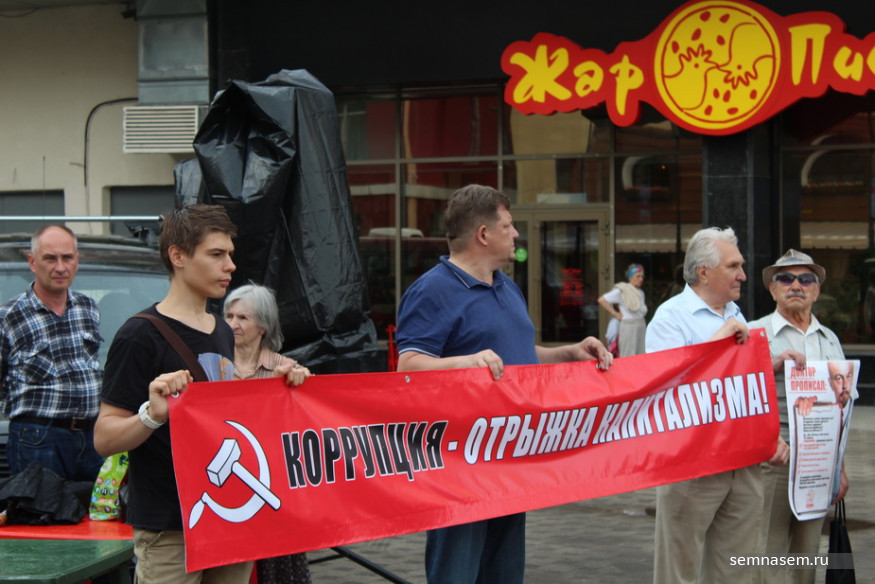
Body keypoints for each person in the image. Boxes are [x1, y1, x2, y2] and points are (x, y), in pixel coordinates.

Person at [395, 184, 614, 584]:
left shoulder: (506, 285)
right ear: (483, 234)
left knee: (504, 573)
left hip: (509, 459)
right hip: (458, 467)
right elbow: (407, 367)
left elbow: (517, 356)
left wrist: (568, 352)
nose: (516, 234)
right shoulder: (432, 290)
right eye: (508, 226)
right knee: (457, 574)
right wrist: (467, 363)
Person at [94, 205, 309, 583]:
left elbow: (224, 418)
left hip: (229, 514)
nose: (230, 266)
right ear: (178, 256)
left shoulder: (222, 330)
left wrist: (278, 389)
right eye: (216, 254)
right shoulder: (139, 335)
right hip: (169, 525)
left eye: (230, 254)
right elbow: (104, 438)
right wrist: (152, 415)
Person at [644, 226, 788, 584]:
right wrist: (717, 342)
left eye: (741, 265)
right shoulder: (669, 318)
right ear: (704, 272)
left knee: (736, 570)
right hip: (691, 464)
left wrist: (768, 433)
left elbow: (744, 389)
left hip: (743, 464)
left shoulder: (734, 313)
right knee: (678, 572)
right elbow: (664, 389)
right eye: (733, 266)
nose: (743, 275)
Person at [747, 249, 848, 584]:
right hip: (773, 458)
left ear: (816, 290)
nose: (796, 286)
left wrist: (840, 467)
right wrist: (770, 366)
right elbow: (738, 394)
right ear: (772, 288)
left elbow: (841, 410)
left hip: (819, 462)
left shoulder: (829, 339)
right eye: (786, 278)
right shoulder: (753, 333)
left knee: (807, 555)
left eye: (806, 279)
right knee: (766, 553)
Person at [0, 224, 104, 482]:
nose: (60, 267)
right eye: (50, 258)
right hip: (37, 439)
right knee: (43, 507)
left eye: (67, 258)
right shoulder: (9, 317)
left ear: (77, 260)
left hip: (94, 437)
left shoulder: (88, 308)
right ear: (32, 262)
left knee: (101, 509)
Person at [223, 283, 312, 584]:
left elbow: (307, 421)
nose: (233, 324)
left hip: (272, 485)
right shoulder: (211, 365)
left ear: (263, 326)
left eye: (242, 318)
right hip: (228, 490)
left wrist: (304, 385)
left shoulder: (286, 368)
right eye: (229, 316)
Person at [598, 263, 647, 356]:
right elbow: (602, 300)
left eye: (642, 276)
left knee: (641, 354)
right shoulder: (622, 290)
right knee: (628, 354)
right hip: (629, 326)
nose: (641, 279)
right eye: (638, 276)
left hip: (641, 325)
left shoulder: (641, 293)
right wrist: (615, 313)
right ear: (630, 277)